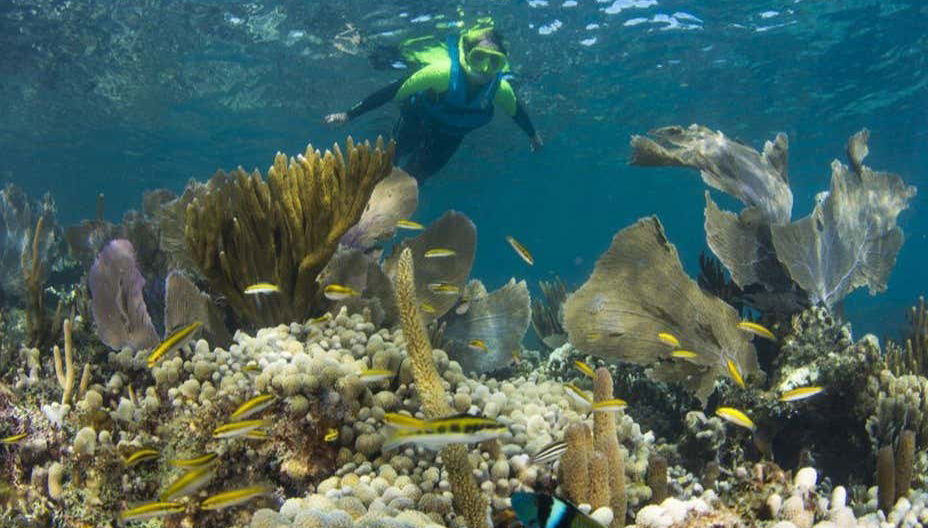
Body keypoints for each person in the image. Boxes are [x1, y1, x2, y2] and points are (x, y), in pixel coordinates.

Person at [324, 24, 542, 181]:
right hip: (416, 122)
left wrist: (533, 135)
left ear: (501, 64)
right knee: (388, 163)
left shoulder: (500, 89)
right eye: (479, 57)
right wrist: (349, 114)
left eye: (494, 61)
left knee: (414, 180)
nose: (485, 68)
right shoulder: (442, 73)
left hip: (448, 140)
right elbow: (393, 91)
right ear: (466, 55)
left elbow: (517, 113)